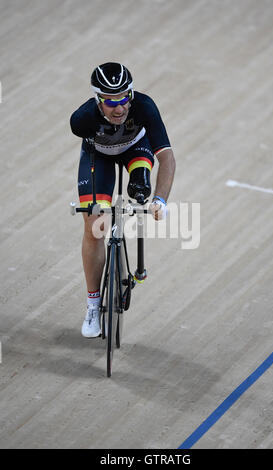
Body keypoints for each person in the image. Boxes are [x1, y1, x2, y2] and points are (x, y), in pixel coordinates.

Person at [70, 62, 175, 338]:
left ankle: (138, 262)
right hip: (99, 156)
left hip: (134, 150)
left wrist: (160, 200)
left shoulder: (144, 106)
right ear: (97, 100)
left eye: (124, 98)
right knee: (95, 225)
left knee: (140, 190)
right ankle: (93, 304)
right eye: (111, 101)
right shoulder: (82, 119)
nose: (119, 108)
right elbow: (88, 153)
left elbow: (167, 158)